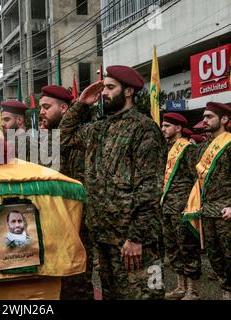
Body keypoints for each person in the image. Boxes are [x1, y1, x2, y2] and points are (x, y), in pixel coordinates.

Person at [59, 65, 167, 299]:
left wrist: (137, 237)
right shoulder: (98, 128)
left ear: (128, 91)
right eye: (103, 88)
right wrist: (81, 102)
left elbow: (149, 187)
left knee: (145, 294)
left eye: (110, 87)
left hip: (133, 241)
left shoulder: (144, 129)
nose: (104, 93)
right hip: (104, 237)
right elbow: (63, 138)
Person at [39, 84, 96, 300]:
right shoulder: (48, 139)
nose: (41, 112)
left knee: (77, 284)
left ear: (64, 109)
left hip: (79, 224)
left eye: (46, 107)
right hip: (57, 222)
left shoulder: (80, 136)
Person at [189, 102, 230, 300]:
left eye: (209, 116)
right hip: (208, 211)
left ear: (224, 119)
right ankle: (226, 291)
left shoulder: (230, 144)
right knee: (215, 257)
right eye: (204, 116)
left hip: (226, 212)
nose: (204, 120)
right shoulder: (203, 148)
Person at [160, 113, 201, 300]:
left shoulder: (188, 149)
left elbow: (197, 179)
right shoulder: (166, 149)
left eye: (167, 126)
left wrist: (192, 205)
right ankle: (180, 287)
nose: (163, 129)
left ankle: (193, 290)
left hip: (182, 206)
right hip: (167, 206)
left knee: (187, 248)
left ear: (178, 128)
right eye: (163, 125)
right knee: (173, 248)